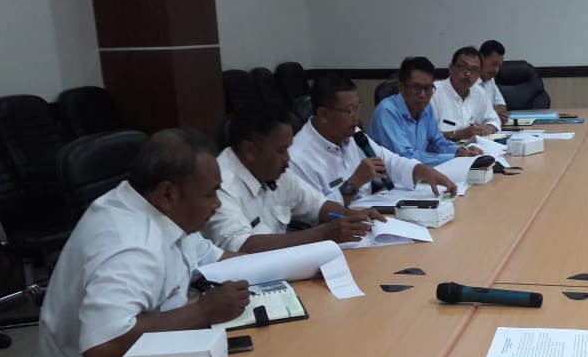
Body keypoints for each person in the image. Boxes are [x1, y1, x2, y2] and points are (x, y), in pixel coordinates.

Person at [29, 128, 251, 357]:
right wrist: (203, 311)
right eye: (209, 194)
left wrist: (285, 268)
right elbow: (103, 344)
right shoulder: (131, 245)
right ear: (168, 194)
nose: (217, 205)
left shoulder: (161, 210)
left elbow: (216, 259)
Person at [203, 102, 385, 252]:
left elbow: (317, 206)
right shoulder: (218, 184)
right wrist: (322, 234)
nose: (287, 158)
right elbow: (239, 247)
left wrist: (352, 216)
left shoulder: (273, 171)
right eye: (281, 150)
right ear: (249, 150)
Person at [289, 72, 457, 206]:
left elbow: (388, 161)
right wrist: (355, 182)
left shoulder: (352, 134)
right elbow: (316, 213)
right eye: (349, 111)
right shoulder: (298, 159)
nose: (356, 118)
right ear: (324, 114)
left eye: (357, 108)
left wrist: (423, 171)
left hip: (371, 215)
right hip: (339, 232)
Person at [367, 57, 480, 166]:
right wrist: (454, 157)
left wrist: (460, 151)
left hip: (419, 173)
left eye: (428, 88)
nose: (423, 95)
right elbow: (405, 157)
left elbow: (437, 142)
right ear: (401, 87)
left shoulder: (426, 108)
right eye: (416, 88)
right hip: (390, 176)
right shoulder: (386, 111)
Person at [431, 46, 501, 141]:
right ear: (451, 69)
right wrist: (457, 134)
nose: (468, 74)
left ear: (478, 75)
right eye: (463, 67)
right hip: (443, 148)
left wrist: (487, 129)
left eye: (474, 70)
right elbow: (426, 134)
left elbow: (494, 120)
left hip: (474, 147)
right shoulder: (433, 93)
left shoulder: (479, 93)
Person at [478, 39, 509, 123]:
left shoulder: (490, 79)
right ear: (480, 59)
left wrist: (491, 114)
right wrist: (493, 114)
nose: (496, 70)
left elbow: (502, 106)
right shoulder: (468, 83)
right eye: (494, 64)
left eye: (499, 66)